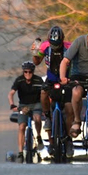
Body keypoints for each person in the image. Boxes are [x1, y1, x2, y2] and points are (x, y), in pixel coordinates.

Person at [32, 26, 75, 156]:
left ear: (62, 40)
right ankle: (48, 117)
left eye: (58, 45)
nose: (55, 47)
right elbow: (36, 62)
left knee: (69, 110)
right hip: (51, 80)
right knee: (43, 92)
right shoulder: (44, 46)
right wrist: (35, 52)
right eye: (53, 45)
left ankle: (68, 140)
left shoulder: (69, 47)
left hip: (66, 80)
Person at [9, 61, 45, 163]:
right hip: (23, 106)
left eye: (30, 72)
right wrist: (12, 104)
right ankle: (20, 153)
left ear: (33, 72)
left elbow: (45, 93)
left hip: (36, 104)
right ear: (23, 72)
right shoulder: (19, 80)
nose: (28, 74)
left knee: (37, 118)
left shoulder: (38, 80)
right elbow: (11, 93)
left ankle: (38, 136)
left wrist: (45, 105)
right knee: (21, 126)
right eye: (25, 72)